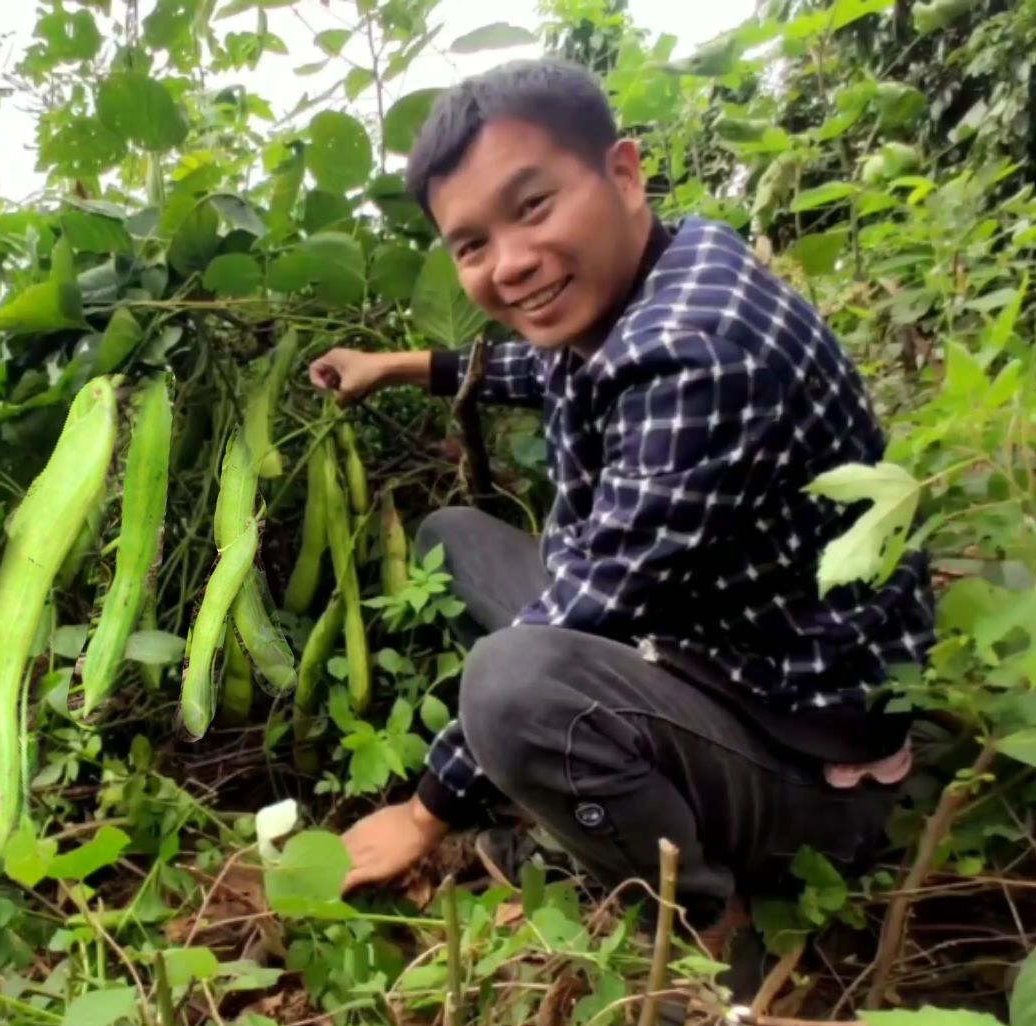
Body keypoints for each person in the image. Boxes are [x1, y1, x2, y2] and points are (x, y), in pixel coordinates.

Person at [307, 57, 934, 954]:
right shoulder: (648, 273)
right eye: (472, 244)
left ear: (624, 173)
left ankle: (713, 926)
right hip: (701, 644)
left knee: (510, 686)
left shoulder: (697, 351)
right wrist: (403, 365)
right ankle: (586, 784)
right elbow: (544, 364)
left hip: (805, 752)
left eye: (532, 208)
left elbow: (593, 600)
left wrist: (424, 809)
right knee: (452, 540)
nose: (511, 264)